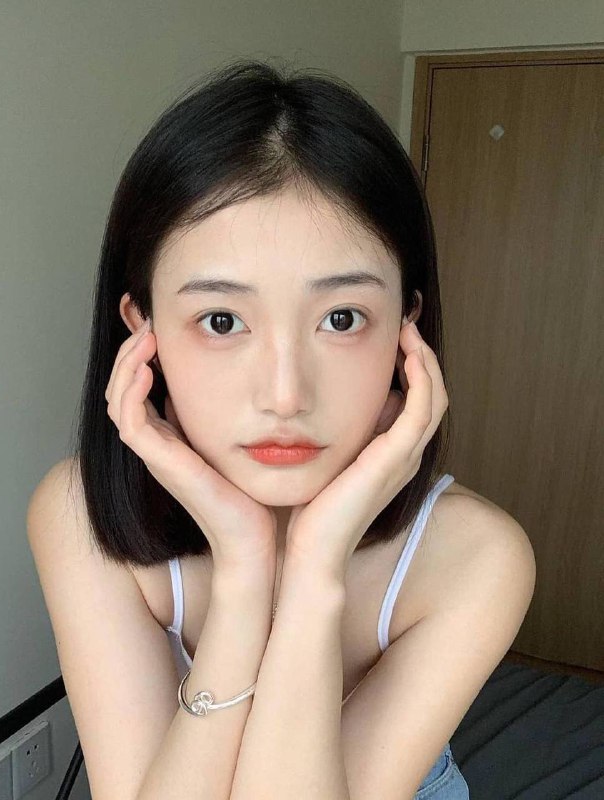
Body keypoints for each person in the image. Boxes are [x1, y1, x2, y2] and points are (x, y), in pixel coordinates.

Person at [27, 58, 536, 800]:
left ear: (407, 326)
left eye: (342, 318)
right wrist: (243, 568)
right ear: (143, 329)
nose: (285, 394)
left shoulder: (476, 557)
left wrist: (315, 568)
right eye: (221, 320)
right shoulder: (80, 513)